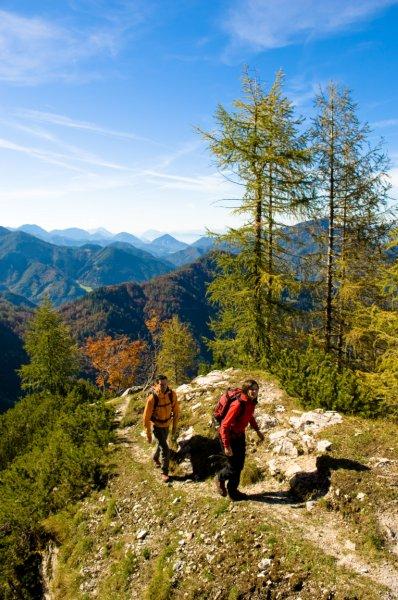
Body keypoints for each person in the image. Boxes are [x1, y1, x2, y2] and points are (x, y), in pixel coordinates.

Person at [214, 379, 264, 500]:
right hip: (229, 437)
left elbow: (249, 416)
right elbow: (224, 426)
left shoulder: (250, 402)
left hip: (240, 435)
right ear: (246, 390)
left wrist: (257, 430)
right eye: (252, 389)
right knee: (233, 467)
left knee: (239, 465)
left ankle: (233, 492)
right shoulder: (238, 404)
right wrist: (226, 446)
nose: (255, 392)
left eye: (256, 389)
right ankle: (219, 477)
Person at [143, 374, 179, 483]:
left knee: (161, 444)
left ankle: (155, 457)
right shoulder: (152, 398)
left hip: (167, 424)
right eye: (161, 384)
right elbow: (145, 418)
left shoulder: (172, 394)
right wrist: (149, 435)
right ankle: (164, 472)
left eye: (165, 383)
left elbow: (176, 411)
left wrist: (174, 427)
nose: (163, 386)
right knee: (165, 449)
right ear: (157, 384)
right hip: (156, 426)